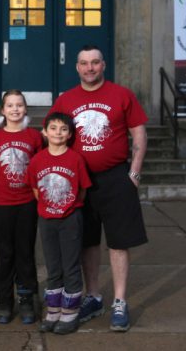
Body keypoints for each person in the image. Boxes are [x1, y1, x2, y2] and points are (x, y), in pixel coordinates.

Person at [47, 44, 148, 332]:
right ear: (76, 67)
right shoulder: (66, 100)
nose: (89, 68)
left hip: (116, 178)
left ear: (103, 65)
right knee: (87, 241)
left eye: (94, 63)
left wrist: (135, 174)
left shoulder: (121, 95)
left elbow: (138, 132)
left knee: (118, 241)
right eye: (84, 63)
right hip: (80, 181)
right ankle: (93, 297)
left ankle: (119, 301)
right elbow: (51, 135)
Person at [27, 112, 92, 335]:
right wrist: (50, 206)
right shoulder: (37, 160)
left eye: (63, 129)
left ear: (70, 134)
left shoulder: (75, 159)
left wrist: (67, 207)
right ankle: (53, 311)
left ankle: (70, 313)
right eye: (53, 128)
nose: (58, 133)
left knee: (70, 266)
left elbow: (82, 190)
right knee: (53, 266)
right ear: (45, 132)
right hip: (47, 219)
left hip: (70, 219)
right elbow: (36, 189)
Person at [0, 90, 43, 324]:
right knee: (4, 254)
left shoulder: (34, 137)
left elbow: (41, 165)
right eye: (10, 105)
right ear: (2, 111)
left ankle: (27, 298)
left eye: (19, 105)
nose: (15, 109)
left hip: (27, 203)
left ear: (25, 109)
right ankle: (3, 300)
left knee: (25, 252)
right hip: (2, 203)